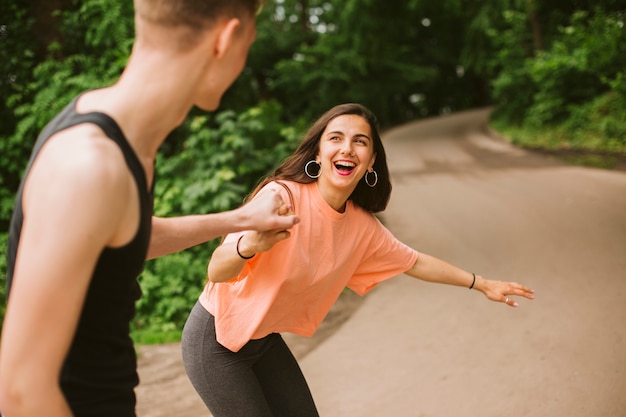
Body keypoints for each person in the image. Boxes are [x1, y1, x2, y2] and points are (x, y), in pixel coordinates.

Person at [0, 1, 301, 416]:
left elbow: (123, 236)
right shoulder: (88, 166)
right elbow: (20, 393)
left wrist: (240, 220)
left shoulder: (123, 140)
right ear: (225, 39)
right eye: (249, 42)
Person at [181, 103, 536, 417]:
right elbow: (217, 269)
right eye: (335, 138)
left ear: (371, 161)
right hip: (215, 341)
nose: (347, 148)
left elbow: (415, 262)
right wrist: (251, 244)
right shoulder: (280, 196)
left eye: (360, 141)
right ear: (318, 154)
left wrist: (481, 283)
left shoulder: (361, 228)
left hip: (262, 340)